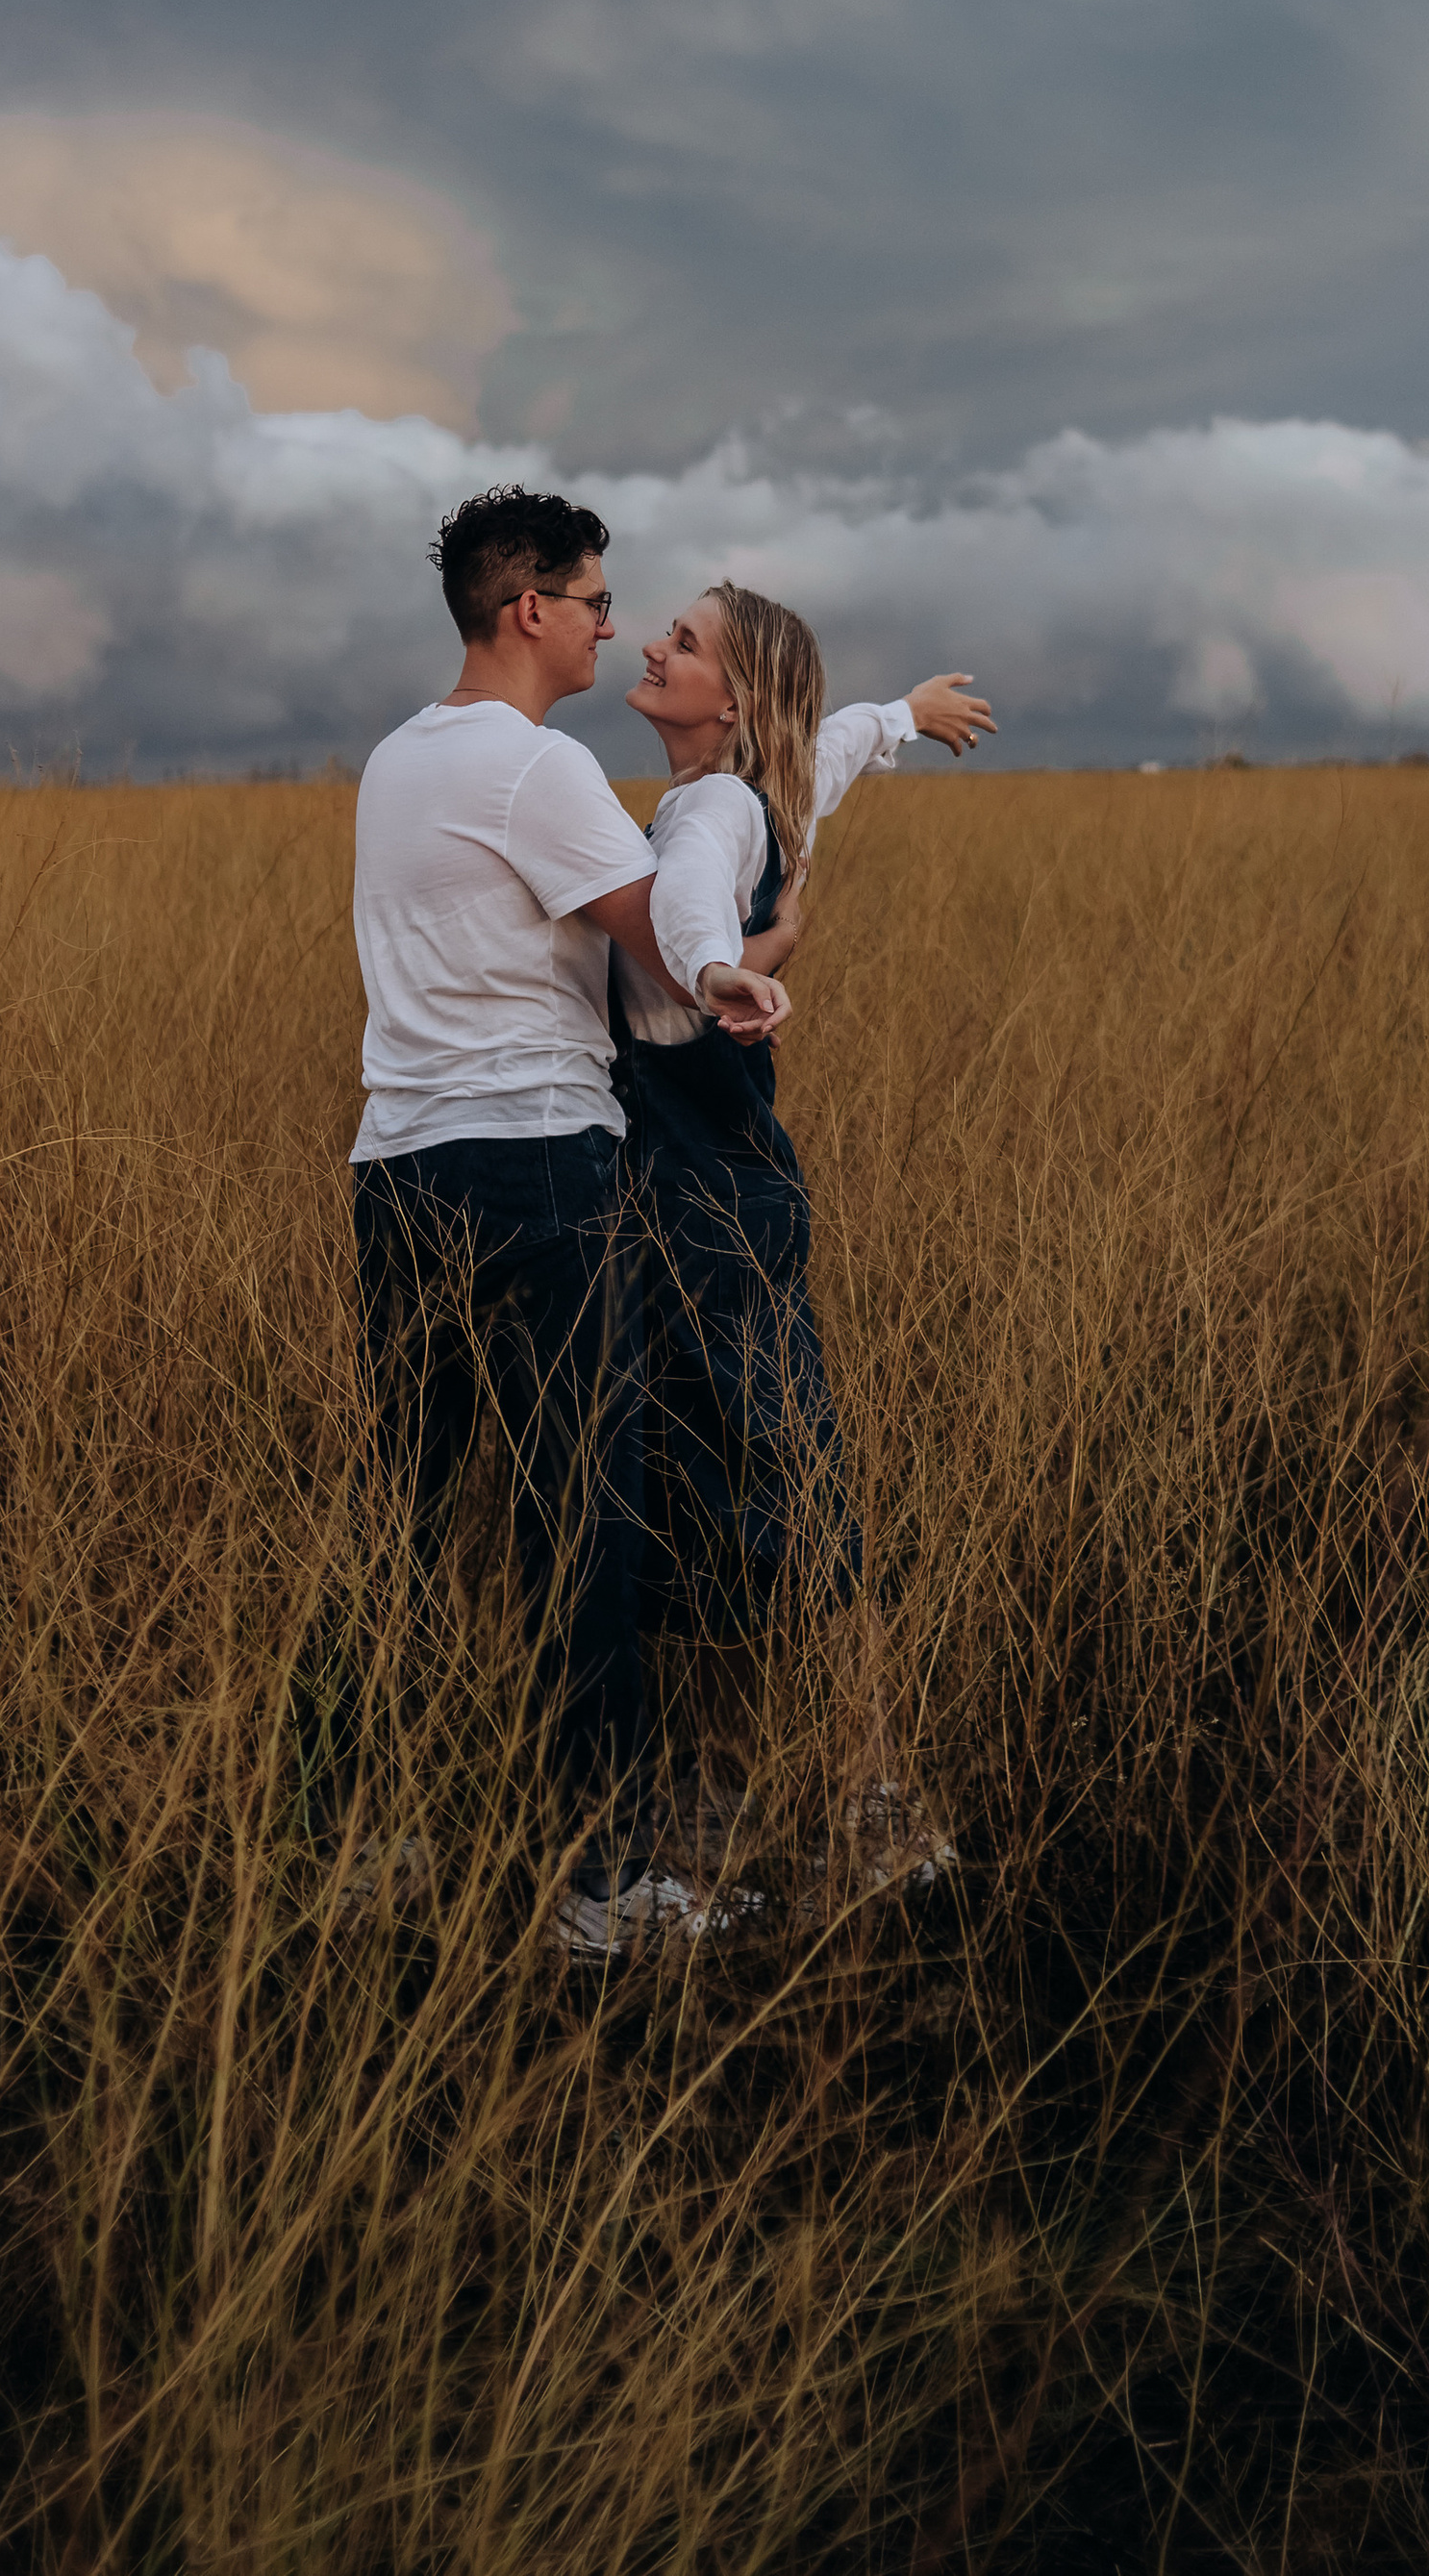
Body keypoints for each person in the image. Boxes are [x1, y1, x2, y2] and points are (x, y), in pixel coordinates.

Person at [348, 486, 785, 1960]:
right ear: (527, 608)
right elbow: (667, 947)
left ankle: (374, 1848)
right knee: (578, 1518)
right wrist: (765, 947)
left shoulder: (396, 760)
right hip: (539, 1167)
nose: (613, 621)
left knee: (405, 1516)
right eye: (597, 600)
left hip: (398, 1170)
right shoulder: (536, 769)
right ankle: (605, 1892)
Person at [617, 584, 993, 1912]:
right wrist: (905, 713)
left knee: (776, 1486)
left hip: (702, 1198)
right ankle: (739, 1802)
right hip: (708, 1195)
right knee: (714, 1489)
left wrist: (724, 971)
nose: (652, 647)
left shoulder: (716, 808)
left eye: (683, 642)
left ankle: (869, 1804)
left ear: (732, 699)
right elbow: (831, 749)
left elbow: (685, 916)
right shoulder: (772, 780)